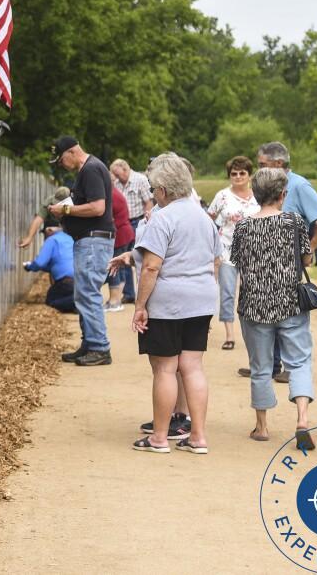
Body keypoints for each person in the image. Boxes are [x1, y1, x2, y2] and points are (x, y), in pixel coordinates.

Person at [109, 154, 218, 454]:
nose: (154, 194)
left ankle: (159, 437)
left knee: (166, 369)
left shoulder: (163, 218)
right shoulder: (202, 217)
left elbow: (152, 267)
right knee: (193, 367)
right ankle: (197, 436)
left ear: (164, 190)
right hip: (202, 299)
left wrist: (140, 305)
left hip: (170, 301)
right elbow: (215, 259)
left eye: (155, 188)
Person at [230, 168, 317, 449]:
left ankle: (262, 426)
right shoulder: (295, 222)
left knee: (261, 367)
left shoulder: (243, 227)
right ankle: (302, 418)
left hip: (254, 305)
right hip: (290, 302)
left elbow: (237, 262)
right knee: (300, 362)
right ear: (283, 195)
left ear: (255, 195)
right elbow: (307, 259)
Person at [237, 142, 317, 382]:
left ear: (278, 164)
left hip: (288, 260)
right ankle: (268, 365)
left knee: (287, 311)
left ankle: (291, 366)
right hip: (269, 259)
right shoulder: (271, 184)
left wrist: (309, 249)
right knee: (269, 309)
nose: (258, 169)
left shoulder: (298, 185)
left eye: (262, 164)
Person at [51, 136, 115, 367]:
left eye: (61, 159)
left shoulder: (91, 169)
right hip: (90, 241)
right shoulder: (88, 169)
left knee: (88, 293)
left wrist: (65, 208)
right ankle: (89, 343)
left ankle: (99, 347)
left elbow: (98, 207)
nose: (61, 164)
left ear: (71, 152)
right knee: (83, 293)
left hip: (93, 241)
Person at [206, 156, 259, 350]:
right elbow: (208, 218)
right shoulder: (222, 196)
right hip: (227, 248)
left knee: (251, 291)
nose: (238, 177)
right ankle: (230, 334)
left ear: (249, 175)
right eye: (234, 174)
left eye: (242, 173)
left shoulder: (258, 195)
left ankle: (253, 332)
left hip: (253, 251)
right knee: (227, 291)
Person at [24, 187, 76, 312]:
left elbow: (40, 263)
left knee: (51, 300)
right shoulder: (70, 239)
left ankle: (75, 302)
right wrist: (29, 237)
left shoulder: (52, 240)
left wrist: (30, 266)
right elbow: (38, 219)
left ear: (49, 231)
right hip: (80, 279)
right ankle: (80, 299)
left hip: (66, 282)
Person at [111, 158, 153, 302]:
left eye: (118, 174)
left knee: (141, 258)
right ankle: (129, 293)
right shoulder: (117, 183)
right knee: (127, 258)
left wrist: (147, 224)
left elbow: (148, 202)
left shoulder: (140, 180)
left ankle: (144, 293)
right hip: (124, 223)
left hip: (138, 220)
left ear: (125, 168)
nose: (117, 178)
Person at [105, 185, 136, 312]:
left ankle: (114, 301)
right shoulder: (115, 192)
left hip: (120, 235)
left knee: (114, 266)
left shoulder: (111, 195)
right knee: (121, 268)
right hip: (126, 233)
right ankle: (117, 299)